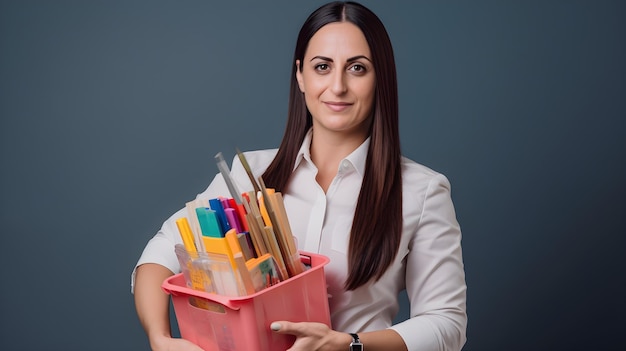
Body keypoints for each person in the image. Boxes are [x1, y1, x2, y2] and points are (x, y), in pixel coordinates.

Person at [132, 1, 467, 350]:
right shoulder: (251, 175)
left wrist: (350, 344)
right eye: (322, 67)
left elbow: (447, 322)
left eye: (357, 68)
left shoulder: (423, 191)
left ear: (380, 77)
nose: (337, 86)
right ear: (300, 75)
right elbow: (162, 250)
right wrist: (160, 338)